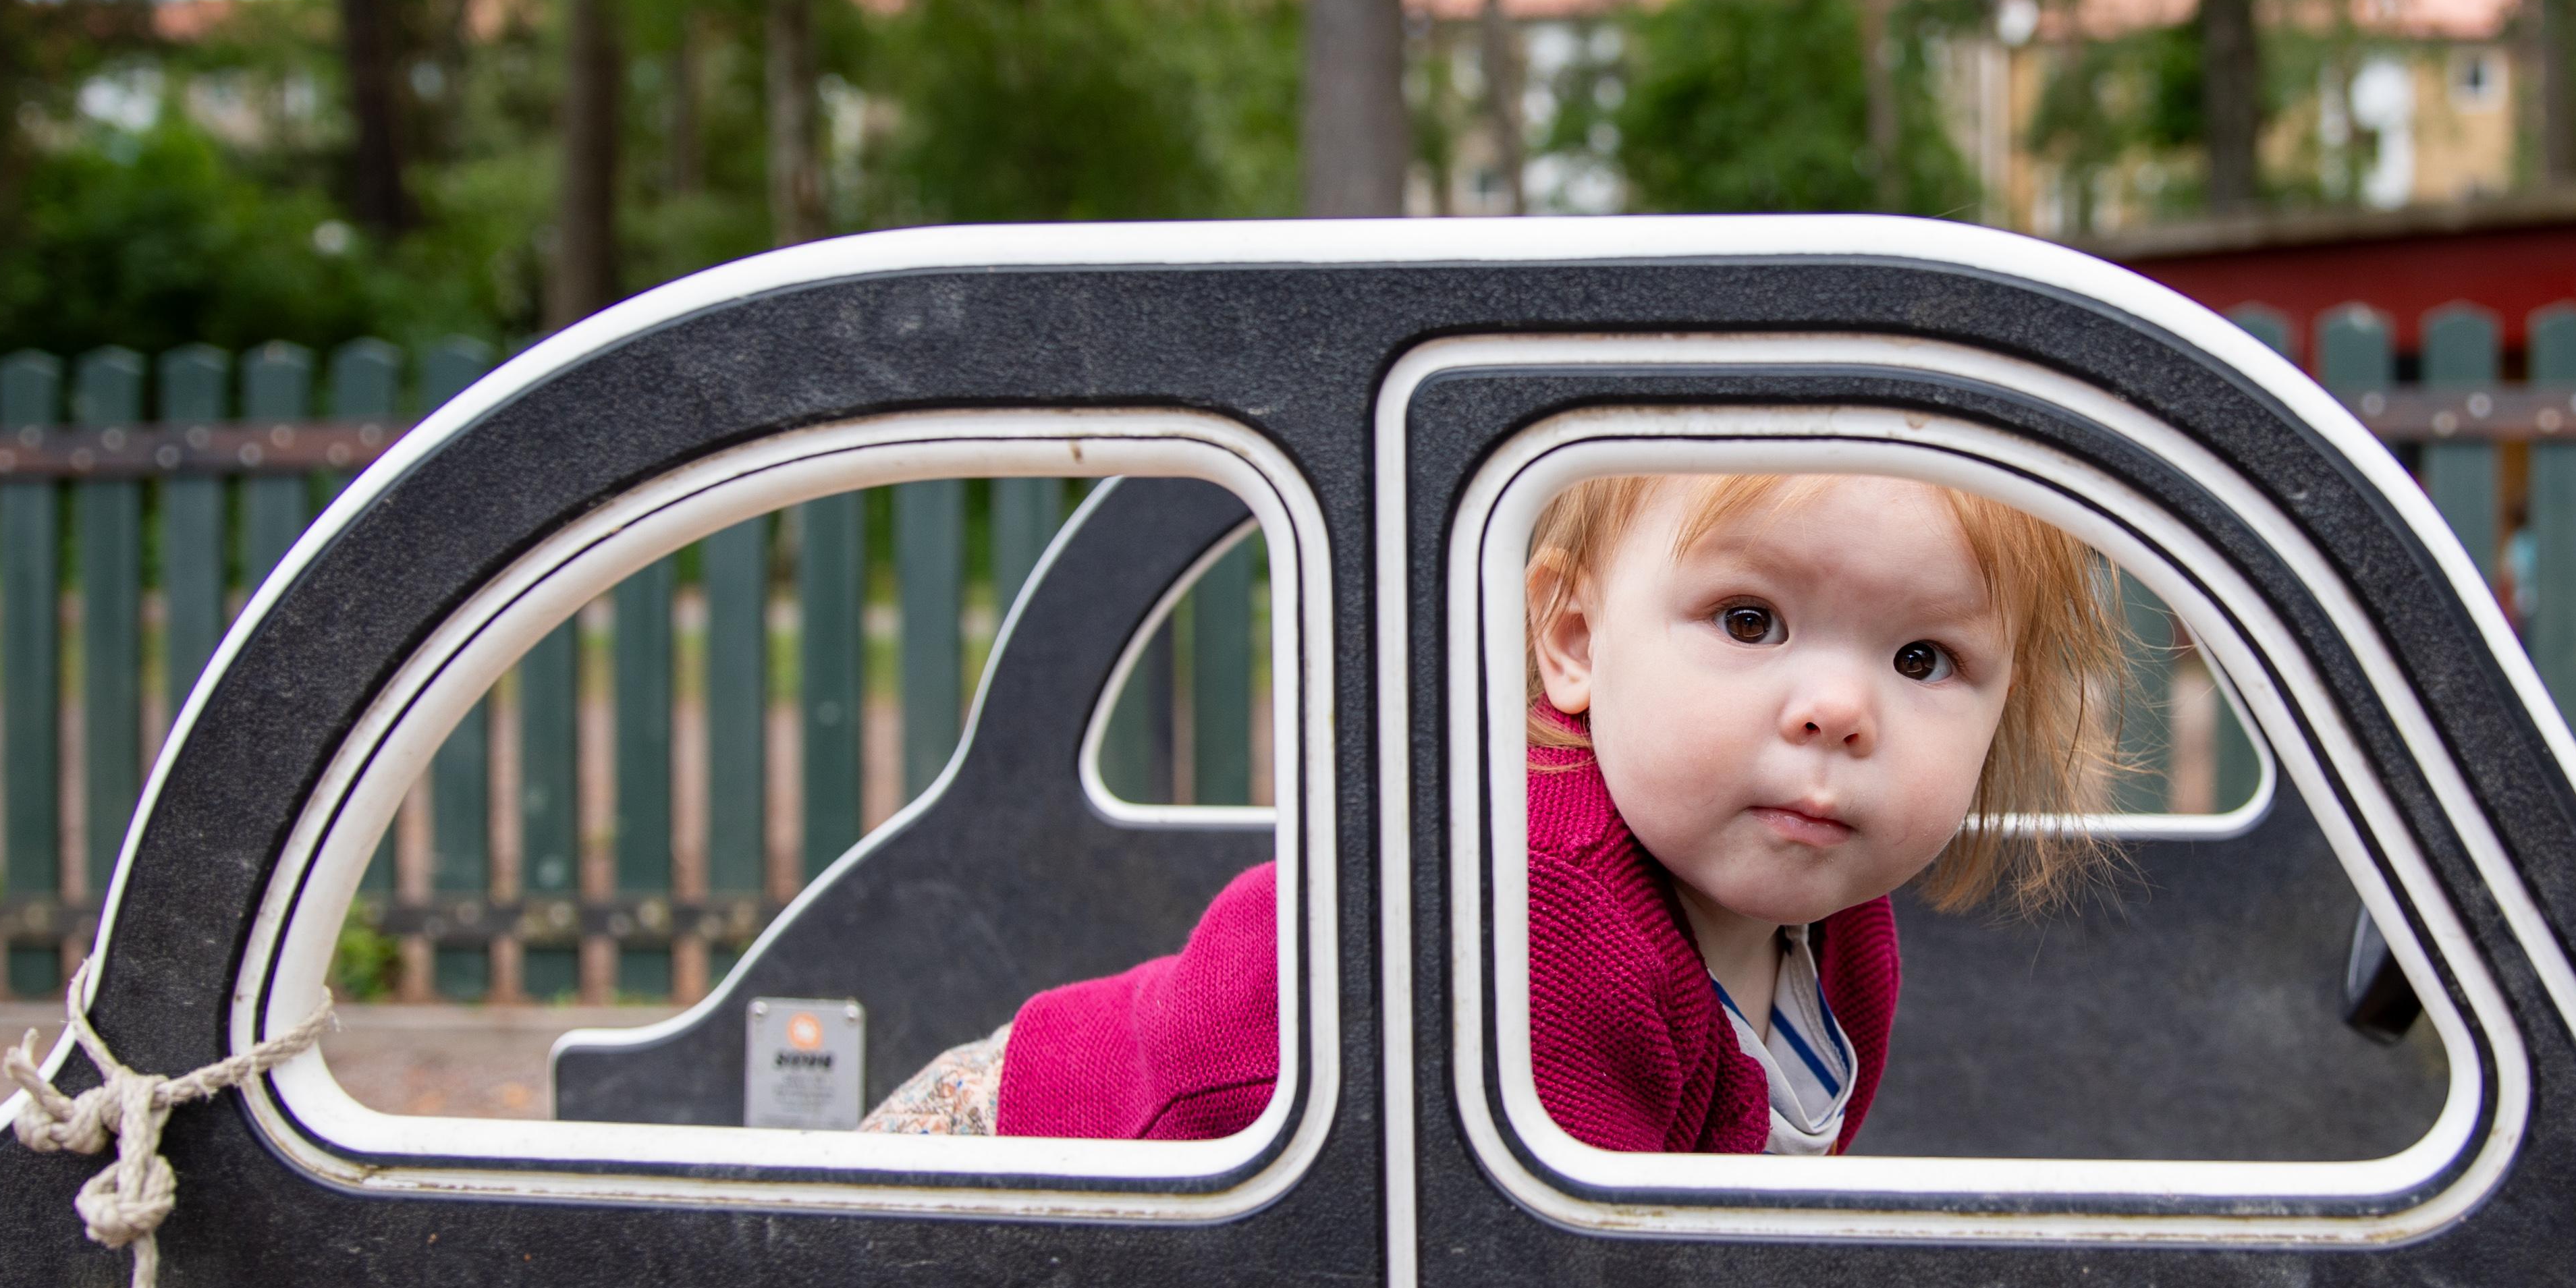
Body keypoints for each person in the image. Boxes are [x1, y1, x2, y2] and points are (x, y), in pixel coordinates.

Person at [860, 470, 2125, 1152]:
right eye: (1751, 622)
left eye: (1923, 661)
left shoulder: (1832, 912)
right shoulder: (1541, 921)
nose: (1838, 709)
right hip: (1010, 1175)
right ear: (1572, 642)